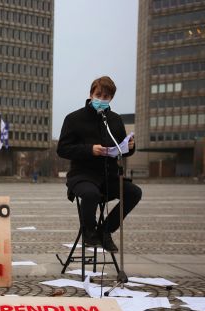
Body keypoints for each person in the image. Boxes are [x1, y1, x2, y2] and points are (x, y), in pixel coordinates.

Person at [57, 76, 142, 252]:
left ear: (111, 98)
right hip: (82, 175)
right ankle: (89, 231)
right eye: (98, 95)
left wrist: (130, 147)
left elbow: (122, 148)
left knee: (134, 192)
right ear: (91, 94)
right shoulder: (73, 118)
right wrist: (90, 149)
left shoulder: (115, 120)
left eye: (106, 97)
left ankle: (105, 231)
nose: (102, 100)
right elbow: (63, 149)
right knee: (91, 194)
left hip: (108, 175)